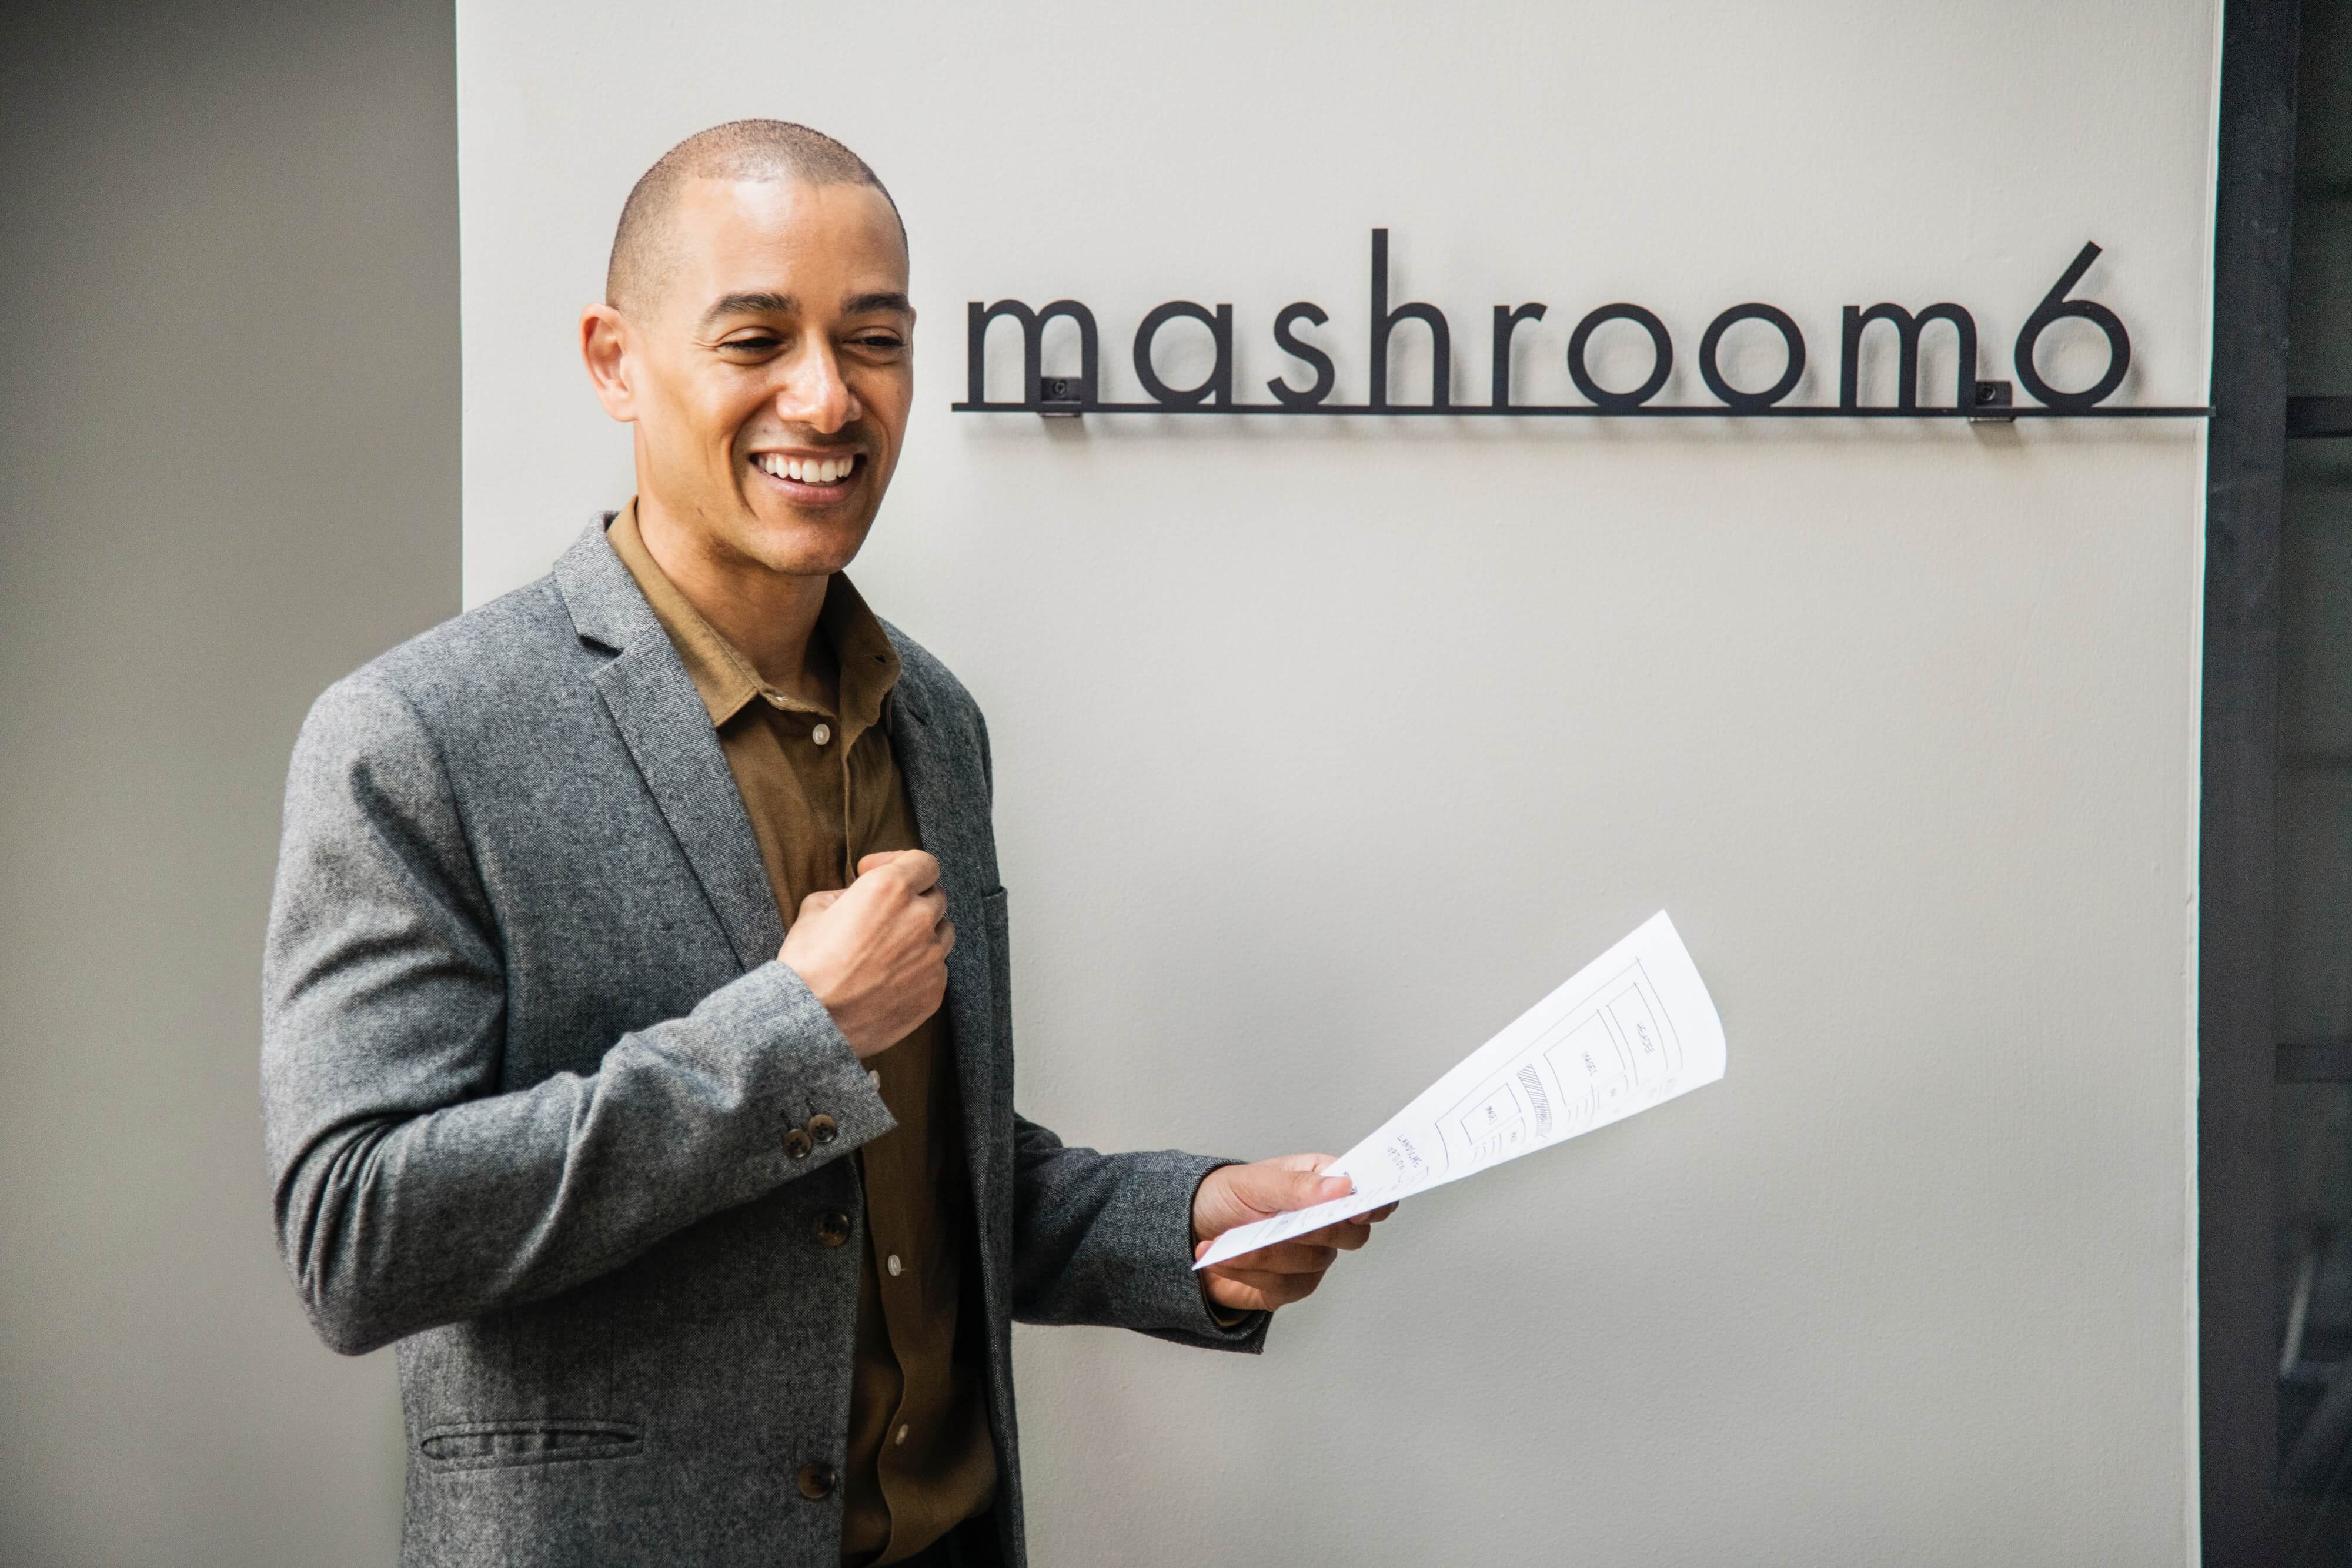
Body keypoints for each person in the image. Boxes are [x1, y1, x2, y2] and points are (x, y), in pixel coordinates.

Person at [260, 119, 1390, 1568]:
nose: (827, 394)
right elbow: (357, 1234)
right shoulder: (418, 734)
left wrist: (1183, 1224)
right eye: (755, 338)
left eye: (874, 339)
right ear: (615, 359)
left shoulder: (935, 720)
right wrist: (789, 1033)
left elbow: (920, 1178)